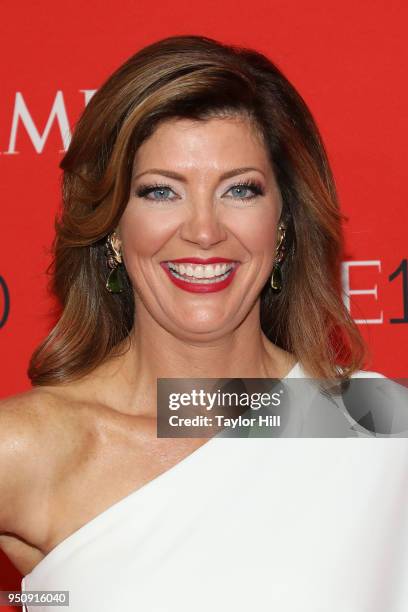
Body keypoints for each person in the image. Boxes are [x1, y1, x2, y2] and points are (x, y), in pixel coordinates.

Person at [0, 35, 407, 611]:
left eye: (240, 189)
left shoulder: (378, 430)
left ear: (283, 222)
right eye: (161, 191)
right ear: (114, 226)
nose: (204, 230)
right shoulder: (31, 446)